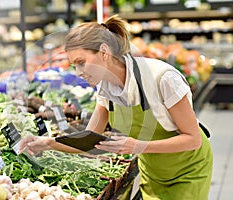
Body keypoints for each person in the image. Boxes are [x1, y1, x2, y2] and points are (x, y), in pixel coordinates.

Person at [20, 15, 213, 200]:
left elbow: (192, 139)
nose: (78, 73)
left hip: (188, 171)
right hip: (154, 172)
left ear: (104, 52)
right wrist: (47, 143)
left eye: (81, 63)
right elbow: (89, 139)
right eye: (74, 66)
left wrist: (138, 146)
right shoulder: (106, 88)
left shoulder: (162, 78)